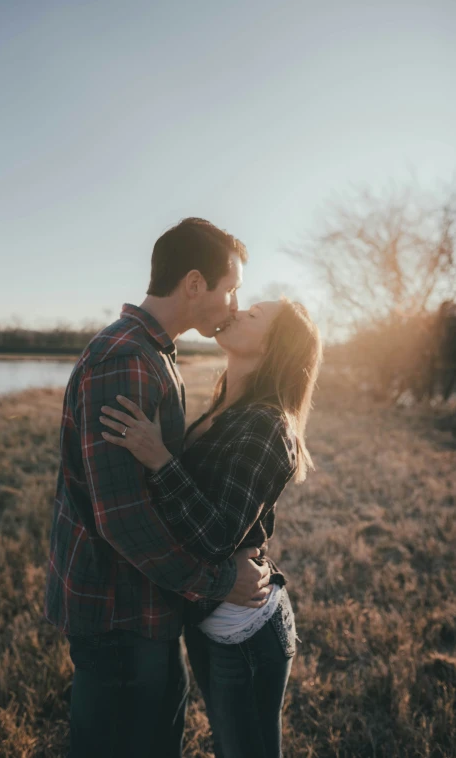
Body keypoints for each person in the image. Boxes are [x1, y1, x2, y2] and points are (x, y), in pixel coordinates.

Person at [44, 217, 276, 758]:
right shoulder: (125, 359)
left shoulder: (155, 351)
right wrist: (219, 581)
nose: (236, 303)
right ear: (195, 283)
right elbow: (122, 519)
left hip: (141, 604)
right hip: (118, 611)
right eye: (231, 288)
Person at [99, 296, 322, 758]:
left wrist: (159, 458)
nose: (237, 311)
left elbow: (218, 536)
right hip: (211, 614)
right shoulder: (227, 404)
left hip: (246, 630)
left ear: (273, 347)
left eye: (254, 316)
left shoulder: (266, 425)